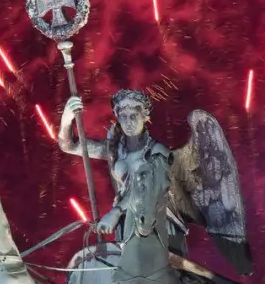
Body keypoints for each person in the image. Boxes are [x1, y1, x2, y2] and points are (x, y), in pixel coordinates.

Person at [58, 90, 188, 255]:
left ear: (145, 115)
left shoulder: (157, 152)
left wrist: (115, 211)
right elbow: (70, 146)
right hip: (125, 222)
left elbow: (146, 189)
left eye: (133, 115)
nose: (128, 122)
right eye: (123, 116)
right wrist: (67, 119)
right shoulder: (114, 149)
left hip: (158, 222)